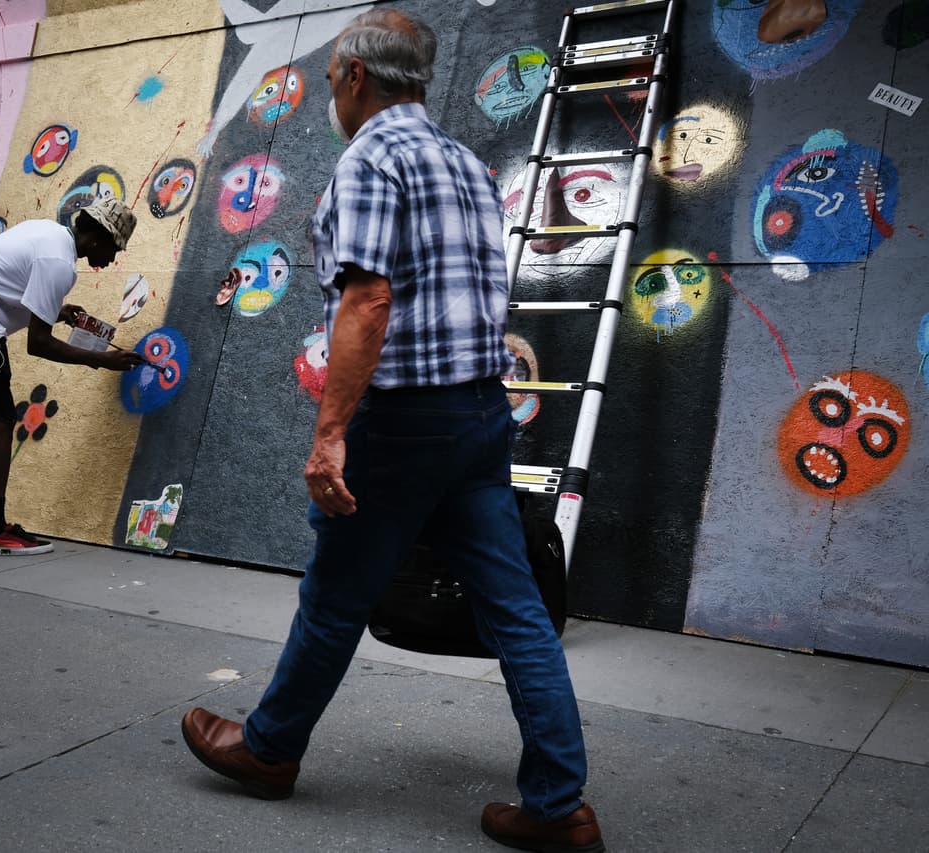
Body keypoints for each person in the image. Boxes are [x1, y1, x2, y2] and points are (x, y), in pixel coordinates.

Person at [179, 9, 604, 852]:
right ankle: (560, 804)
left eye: (336, 76)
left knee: (336, 596)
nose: (334, 90)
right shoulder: (465, 164)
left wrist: (331, 432)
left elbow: (367, 299)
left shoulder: (371, 157)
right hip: (482, 415)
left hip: (404, 422)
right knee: (516, 609)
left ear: (355, 78)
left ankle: (268, 749)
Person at [0, 195, 144, 556]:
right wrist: (101, 361)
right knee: (0, 417)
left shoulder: (46, 231)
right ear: (97, 237)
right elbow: (39, 344)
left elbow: (7, 279)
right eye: (114, 249)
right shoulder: (60, 264)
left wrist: (56, 309)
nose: (111, 259)